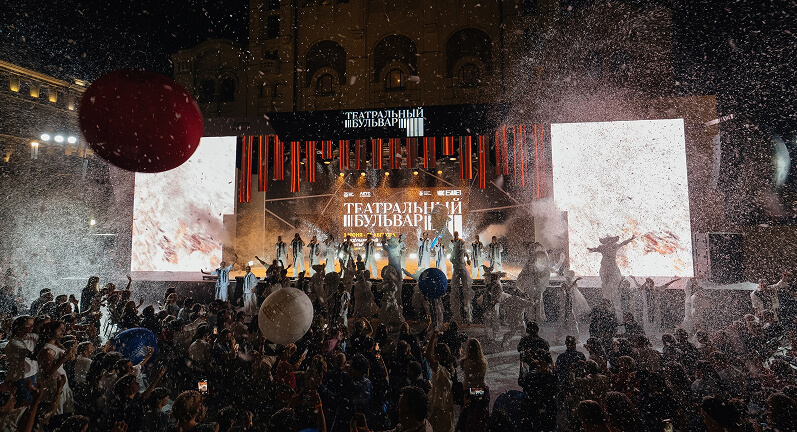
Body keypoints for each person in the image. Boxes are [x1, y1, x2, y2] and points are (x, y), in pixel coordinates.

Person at [588, 235, 635, 320]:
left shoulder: (615, 246)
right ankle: (607, 315)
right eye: (608, 240)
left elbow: (623, 243)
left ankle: (617, 318)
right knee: (606, 288)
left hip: (612, 268)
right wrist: (591, 249)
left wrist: (630, 239)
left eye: (610, 240)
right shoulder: (602, 247)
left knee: (614, 290)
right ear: (606, 241)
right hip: (605, 268)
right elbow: (595, 249)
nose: (609, 242)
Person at [424, 332, 454, 432]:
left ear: (440, 356)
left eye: (436, 353)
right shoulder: (448, 370)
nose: (434, 355)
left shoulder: (441, 371)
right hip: (445, 404)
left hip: (439, 405)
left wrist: (433, 337)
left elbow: (428, 355)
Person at [449, 231, 473, 324]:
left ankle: (468, 317)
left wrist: (468, 259)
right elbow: (452, 257)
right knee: (455, 291)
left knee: (466, 291)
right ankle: (457, 316)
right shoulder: (453, 245)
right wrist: (453, 261)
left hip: (461, 267)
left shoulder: (461, 243)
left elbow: (465, 252)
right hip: (457, 267)